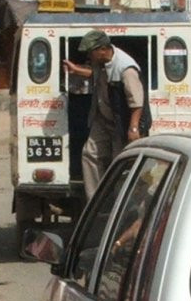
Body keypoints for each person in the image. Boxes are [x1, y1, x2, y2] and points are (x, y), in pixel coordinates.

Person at [63, 29, 146, 197]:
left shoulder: (126, 69)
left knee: (120, 162)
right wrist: (76, 70)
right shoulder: (102, 63)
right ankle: (95, 200)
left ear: (102, 49)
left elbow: (137, 102)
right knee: (90, 154)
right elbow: (97, 75)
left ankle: (121, 203)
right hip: (103, 119)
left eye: (90, 52)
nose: (88, 56)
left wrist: (133, 128)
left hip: (122, 123)